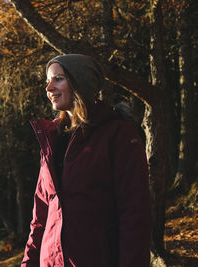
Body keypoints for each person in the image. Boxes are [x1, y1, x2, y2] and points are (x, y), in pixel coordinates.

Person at [21, 54, 152, 267]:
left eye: (58, 79)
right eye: (48, 80)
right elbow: (40, 215)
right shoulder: (52, 140)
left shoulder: (117, 133)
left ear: (80, 83)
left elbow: (135, 214)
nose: (49, 87)